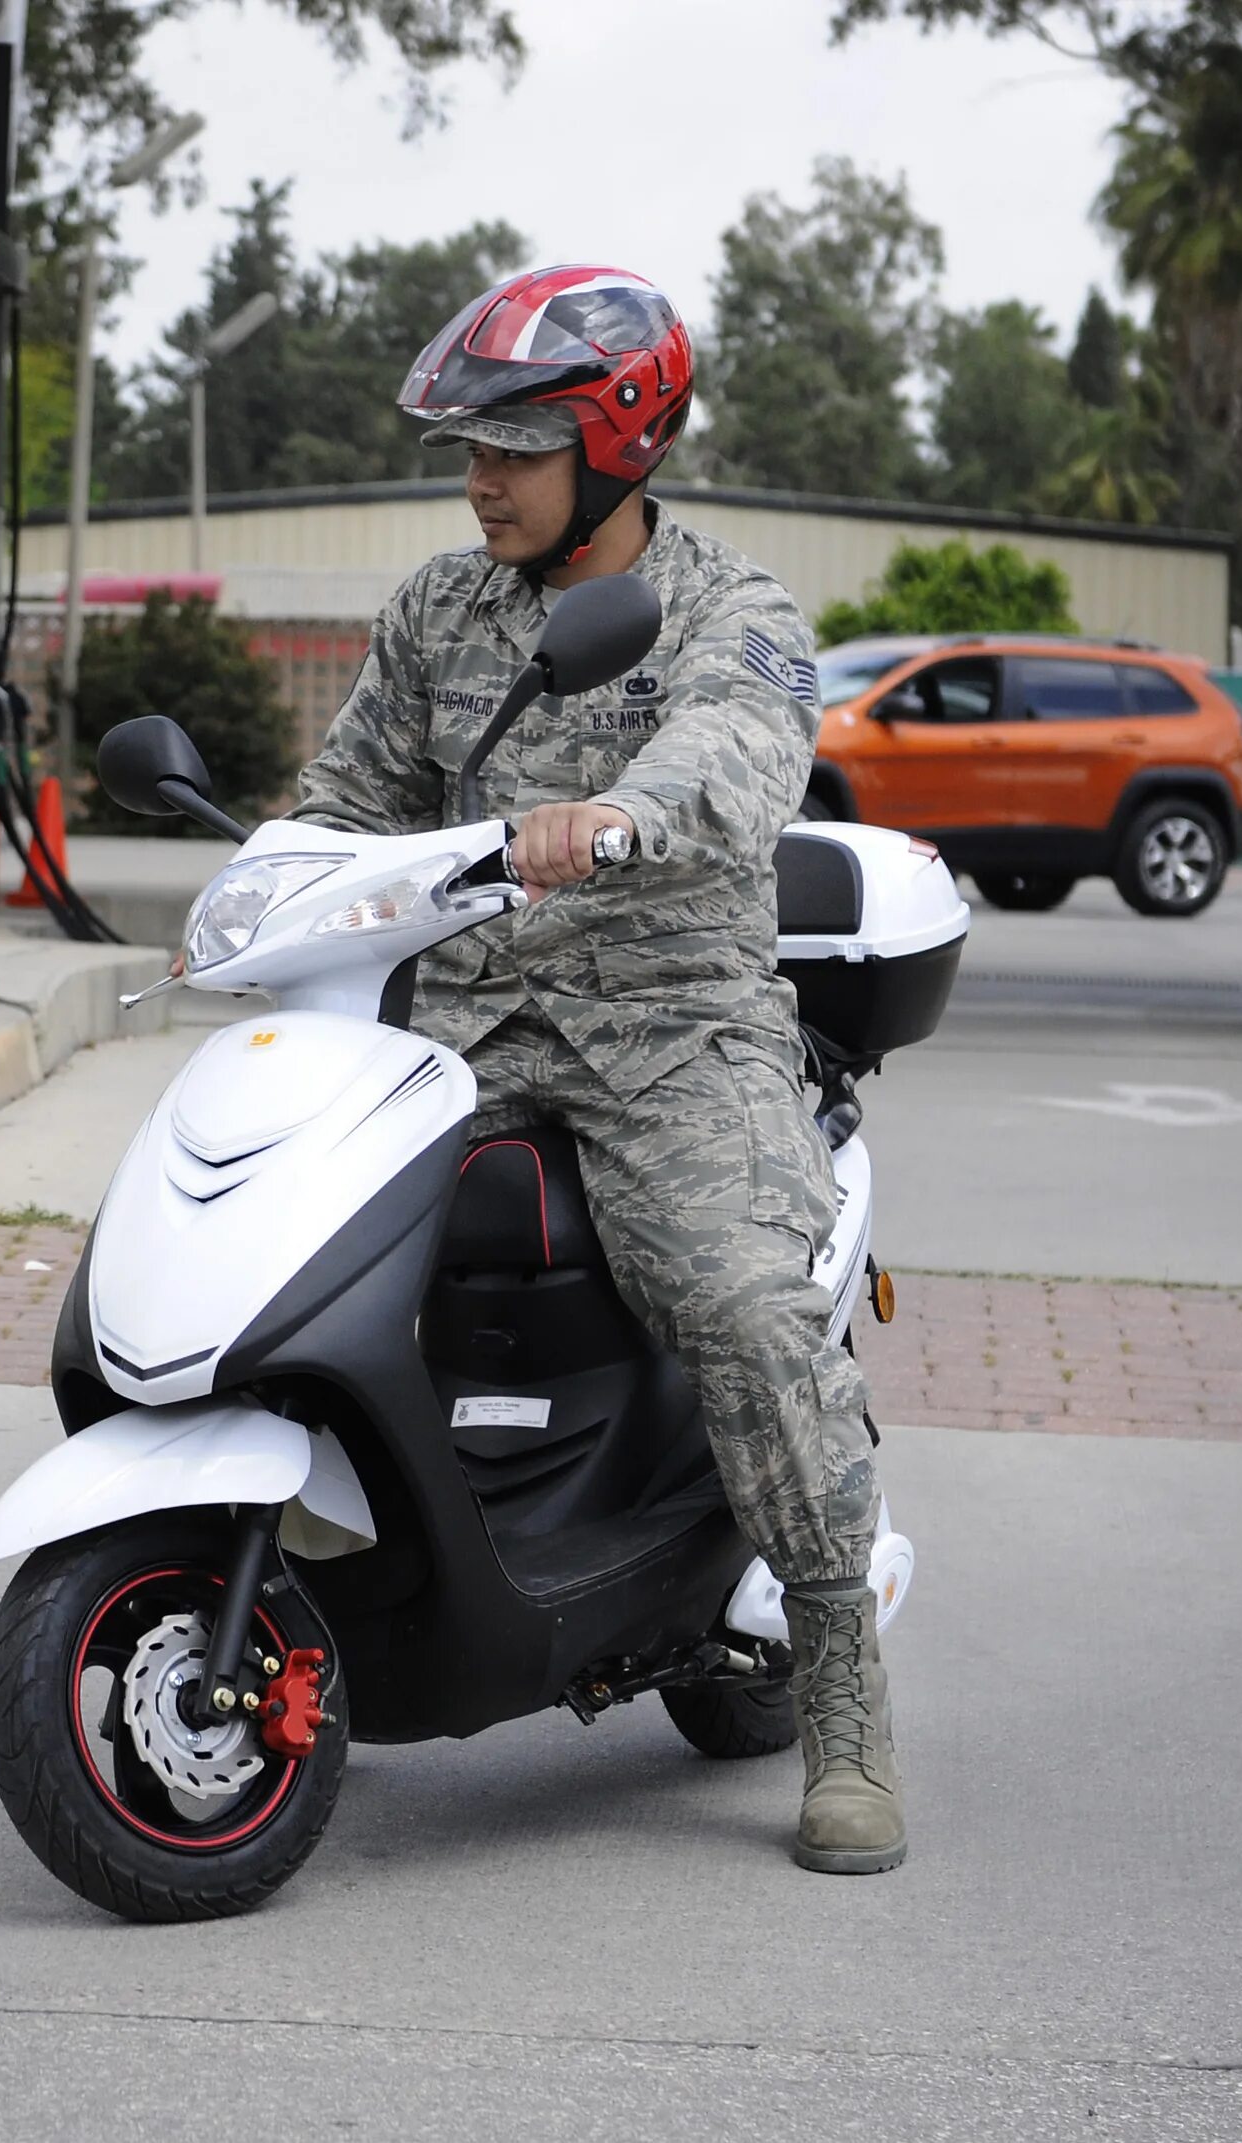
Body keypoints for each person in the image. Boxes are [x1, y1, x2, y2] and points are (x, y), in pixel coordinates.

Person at [293, 265, 904, 1875]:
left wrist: (619, 816)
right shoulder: (437, 611)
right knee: (289, 1261)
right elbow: (345, 798)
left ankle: (842, 1686)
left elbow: (735, 757)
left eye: (515, 448)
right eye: (470, 449)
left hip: (671, 1022)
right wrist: (259, 879)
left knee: (743, 1303)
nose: (479, 479)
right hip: (468, 1025)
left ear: (619, 444)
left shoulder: (736, 611)